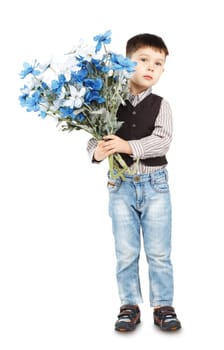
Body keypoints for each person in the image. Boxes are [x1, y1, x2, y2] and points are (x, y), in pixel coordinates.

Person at [87, 33, 181, 332]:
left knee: (159, 251)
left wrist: (127, 147)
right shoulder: (107, 101)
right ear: (126, 62)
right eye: (143, 60)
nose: (150, 67)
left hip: (155, 186)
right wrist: (98, 152)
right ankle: (129, 305)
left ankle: (163, 305)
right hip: (120, 186)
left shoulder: (161, 104)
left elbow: (162, 141)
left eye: (158, 63)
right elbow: (93, 136)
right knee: (126, 251)